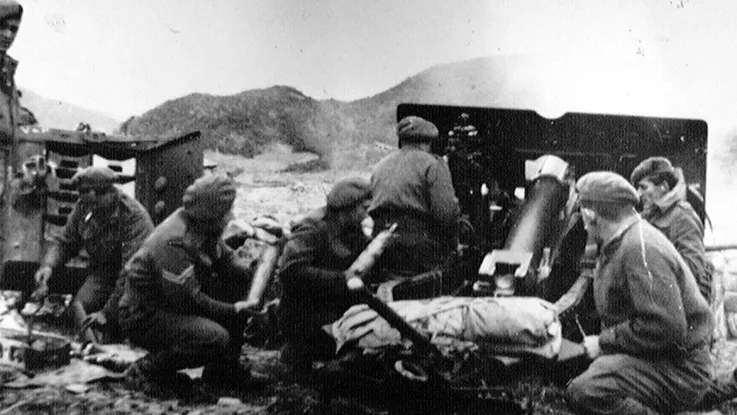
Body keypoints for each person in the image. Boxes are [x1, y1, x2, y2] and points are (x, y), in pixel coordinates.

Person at [566, 171, 713, 415]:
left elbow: (665, 326)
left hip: (682, 368)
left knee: (587, 391)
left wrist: (603, 343)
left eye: (581, 208)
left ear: (591, 213)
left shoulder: (638, 248)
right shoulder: (623, 240)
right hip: (663, 357)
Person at [118, 174, 264, 393]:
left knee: (237, 283)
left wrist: (252, 270)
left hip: (169, 303)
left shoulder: (202, 225)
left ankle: (223, 371)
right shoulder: (174, 239)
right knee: (213, 337)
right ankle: (147, 370)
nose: (230, 216)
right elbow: (190, 300)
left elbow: (224, 257)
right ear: (211, 213)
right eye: (226, 212)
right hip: (142, 314)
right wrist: (233, 309)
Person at [32, 166, 154, 340]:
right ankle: (91, 348)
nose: (90, 208)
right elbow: (66, 242)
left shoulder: (134, 217)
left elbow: (132, 274)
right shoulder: (84, 206)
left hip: (139, 281)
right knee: (79, 307)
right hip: (106, 271)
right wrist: (48, 266)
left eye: (94, 203)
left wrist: (106, 312)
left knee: (122, 325)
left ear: (109, 193)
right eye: (86, 202)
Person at [278, 177, 372, 372]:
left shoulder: (352, 230)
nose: (366, 215)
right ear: (348, 208)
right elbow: (291, 271)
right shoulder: (312, 228)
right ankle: (298, 352)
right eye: (363, 208)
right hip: (306, 313)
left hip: (332, 305)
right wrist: (341, 279)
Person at [368, 116, 460, 277]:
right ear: (428, 142)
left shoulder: (381, 165)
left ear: (401, 140)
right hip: (417, 250)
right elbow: (446, 214)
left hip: (380, 245)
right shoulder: (433, 164)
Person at [630, 156, 714, 302]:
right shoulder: (651, 214)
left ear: (664, 186)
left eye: (643, 187)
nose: (638, 193)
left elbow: (693, 269)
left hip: (681, 301)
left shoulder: (683, 217)